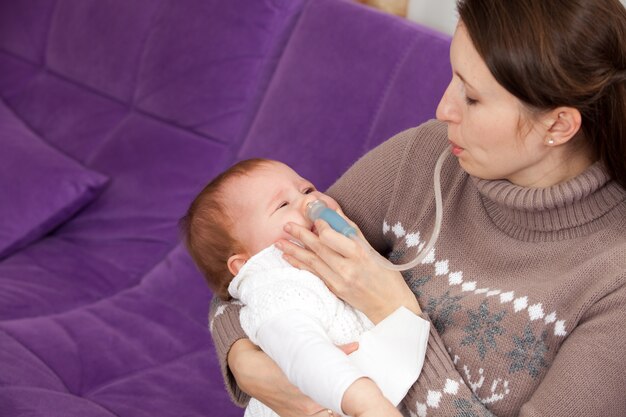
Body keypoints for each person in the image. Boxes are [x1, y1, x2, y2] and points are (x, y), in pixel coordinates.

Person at [209, 0, 626, 416]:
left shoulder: (613, 285)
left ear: (558, 125)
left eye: (473, 98)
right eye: (453, 77)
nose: (443, 110)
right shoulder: (430, 155)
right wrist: (243, 358)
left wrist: (396, 315)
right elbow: (256, 264)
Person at [179, 158, 430, 417]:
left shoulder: (327, 263)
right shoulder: (275, 289)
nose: (310, 203)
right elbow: (303, 353)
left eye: (307, 190)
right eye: (283, 204)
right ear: (245, 263)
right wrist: (366, 403)